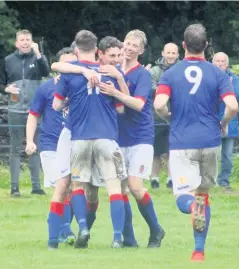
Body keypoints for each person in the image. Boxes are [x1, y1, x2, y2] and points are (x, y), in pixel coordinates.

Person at [154, 23, 238, 261]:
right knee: (203, 195)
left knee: (184, 196)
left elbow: (159, 104)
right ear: (206, 46)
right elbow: (232, 106)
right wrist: (223, 122)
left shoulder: (171, 74)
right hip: (210, 140)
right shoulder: (218, 73)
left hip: (183, 141)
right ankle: (198, 251)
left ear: (183, 46)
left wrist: (168, 117)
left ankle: (192, 208)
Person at [51, 30, 126, 249]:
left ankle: (82, 226)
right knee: (114, 187)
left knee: (78, 186)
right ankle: (117, 238)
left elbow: (56, 106)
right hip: (106, 136)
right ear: (96, 51)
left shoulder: (70, 73)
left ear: (75, 50)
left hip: (80, 137)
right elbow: (121, 108)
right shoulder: (110, 71)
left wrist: (70, 102)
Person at [99, 30, 165, 248]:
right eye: (126, 43)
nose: (128, 48)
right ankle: (129, 238)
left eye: (134, 46)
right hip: (118, 136)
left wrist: (115, 91)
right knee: (121, 188)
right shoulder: (113, 69)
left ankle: (156, 230)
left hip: (140, 137)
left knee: (136, 186)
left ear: (141, 50)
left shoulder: (142, 75)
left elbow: (138, 104)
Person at [25, 47, 78, 245]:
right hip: (50, 145)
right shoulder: (46, 88)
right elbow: (33, 115)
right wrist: (30, 141)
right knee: (61, 187)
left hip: (75, 144)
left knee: (74, 192)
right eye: (64, 64)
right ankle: (66, 230)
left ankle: (58, 225)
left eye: (72, 63)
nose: (68, 68)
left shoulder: (80, 86)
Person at [0, 29, 50, 196]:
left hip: (34, 111)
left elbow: (46, 72)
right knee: (15, 148)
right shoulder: (8, 61)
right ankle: (14, 188)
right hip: (15, 110)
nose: (25, 42)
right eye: (22, 40)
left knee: (34, 147)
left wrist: (38, 53)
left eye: (28, 39)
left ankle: (36, 186)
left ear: (32, 42)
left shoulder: (38, 57)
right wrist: (7, 88)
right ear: (16, 43)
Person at [212, 52, 239, 192]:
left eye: (223, 61)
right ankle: (211, 182)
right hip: (212, 122)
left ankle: (224, 182)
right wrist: (224, 92)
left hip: (230, 123)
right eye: (217, 61)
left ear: (227, 63)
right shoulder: (207, 77)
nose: (220, 64)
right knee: (211, 155)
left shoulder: (234, 78)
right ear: (212, 62)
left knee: (227, 156)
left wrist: (227, 88)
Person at [149, 42, 180, 189]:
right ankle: (154, 179)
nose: (171, 56)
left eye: (174, 53)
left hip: (176, 116)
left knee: (171, 151)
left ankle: (170, 179)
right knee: (156, 152)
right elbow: (151, 88)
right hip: (156, 116)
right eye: (168, 53)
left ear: (178, 55)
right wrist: (168, 90)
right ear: (163, 53)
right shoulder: (154, 71)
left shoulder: (182, 69)